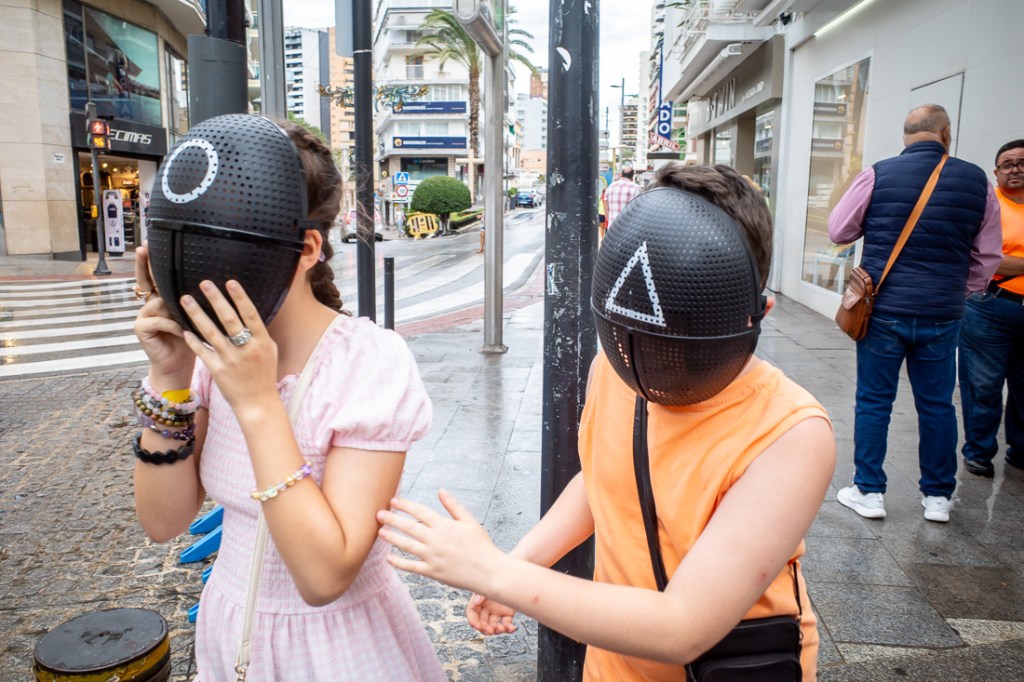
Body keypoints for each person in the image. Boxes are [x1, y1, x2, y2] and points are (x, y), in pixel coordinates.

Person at [378, 163, 836, 681]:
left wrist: (495, 571)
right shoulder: (618, 364)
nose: (653, 362)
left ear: (755, 314)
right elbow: (601, 480)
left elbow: (682, 626)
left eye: (683, 327)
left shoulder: (793, 432)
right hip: (612, 666)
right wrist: (520, 563)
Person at [131, 115, 445, 680]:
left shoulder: (369, 362)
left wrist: (257, 402)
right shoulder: (210, 359)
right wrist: (171, 376)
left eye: (223, 240)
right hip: (233, 639)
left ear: (305, 249)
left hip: (340, 650)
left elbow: (325, 576)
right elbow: (163, 520)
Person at [828, 104, 1002, 523]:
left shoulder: (877, 174)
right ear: (945, 133)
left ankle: (869, 491)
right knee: (938, 405)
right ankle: (938, 498)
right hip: (943, 314)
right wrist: (960, 290)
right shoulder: (978, 182)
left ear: (907, 135)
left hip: (884, 311)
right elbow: (988, 256)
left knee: (873, 402)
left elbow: (839, 231)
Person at [958, 139, 1024, 477]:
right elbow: (988, 258)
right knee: (983, 384)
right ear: (996, 172)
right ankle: (979, 451)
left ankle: (1021, 450)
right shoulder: (988, 205)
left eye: (1022, 162)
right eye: (1007, 164)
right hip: (990, 306)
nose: (1015, 169)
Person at [604, 163, 641, 228]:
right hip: (628, 229)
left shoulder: (611, 186)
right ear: (632, 176)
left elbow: (605, 204)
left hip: (612, 228)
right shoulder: (636, 188)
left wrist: (609, 218)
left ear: (621, 175)